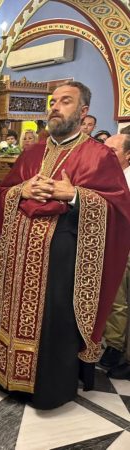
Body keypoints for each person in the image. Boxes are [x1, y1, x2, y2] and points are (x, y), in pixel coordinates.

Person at [0, 81, 130, 410]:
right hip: (20, 257)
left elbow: (118, 209)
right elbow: (3, 194)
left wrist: (74, 195)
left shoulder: (99, 156)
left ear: (83, 111)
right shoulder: (32, 153)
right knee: (14, 315)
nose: (55, 107)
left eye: (65, 101)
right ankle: (4, 375)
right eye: (53, 101)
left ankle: (45, 388)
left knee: (52, 322)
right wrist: (21, 190)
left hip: (63, 264)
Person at [100, 133, 130, 377]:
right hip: (104, 242)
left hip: (123, 245)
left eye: (113, 150)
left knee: (118, 299)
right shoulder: (107, 175)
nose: (106, 154)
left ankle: (115, 347)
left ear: (128, 155)